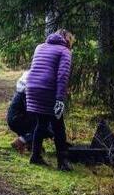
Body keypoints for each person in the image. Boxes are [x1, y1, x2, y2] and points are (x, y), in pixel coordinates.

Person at [25, 29, 74, 171]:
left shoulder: (40, 47)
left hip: (32, 87)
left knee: (41, 123)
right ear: (67, 39)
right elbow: (62, 76)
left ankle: (35, 156)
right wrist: (60, 99)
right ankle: (63, 163)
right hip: (47, 89)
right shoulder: (65, 51)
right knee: (58, 125)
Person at [7, 70, 60, 153]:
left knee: (45, 126)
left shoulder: (25, 85)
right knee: (45, 127)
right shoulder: (29, 91)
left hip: (15, 118)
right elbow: (34, 114)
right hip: (18, 119)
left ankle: (30, 144)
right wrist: (52, 133)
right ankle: (21, 141)